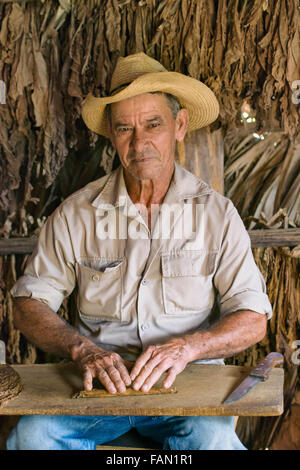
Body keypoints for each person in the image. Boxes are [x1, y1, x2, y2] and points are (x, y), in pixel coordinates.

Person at [7, 53, 272, 450]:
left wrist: (189, 348)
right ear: (112, 136)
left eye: (153, 124)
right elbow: (27, 303)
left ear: (179, 125)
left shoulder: (216, 214)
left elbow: (254, 319)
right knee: (33, 435)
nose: (139, 142)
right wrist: (83, 349)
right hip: (96, 385)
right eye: (125, 128)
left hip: (186, 385)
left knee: (215, 440)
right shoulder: (77, 214)